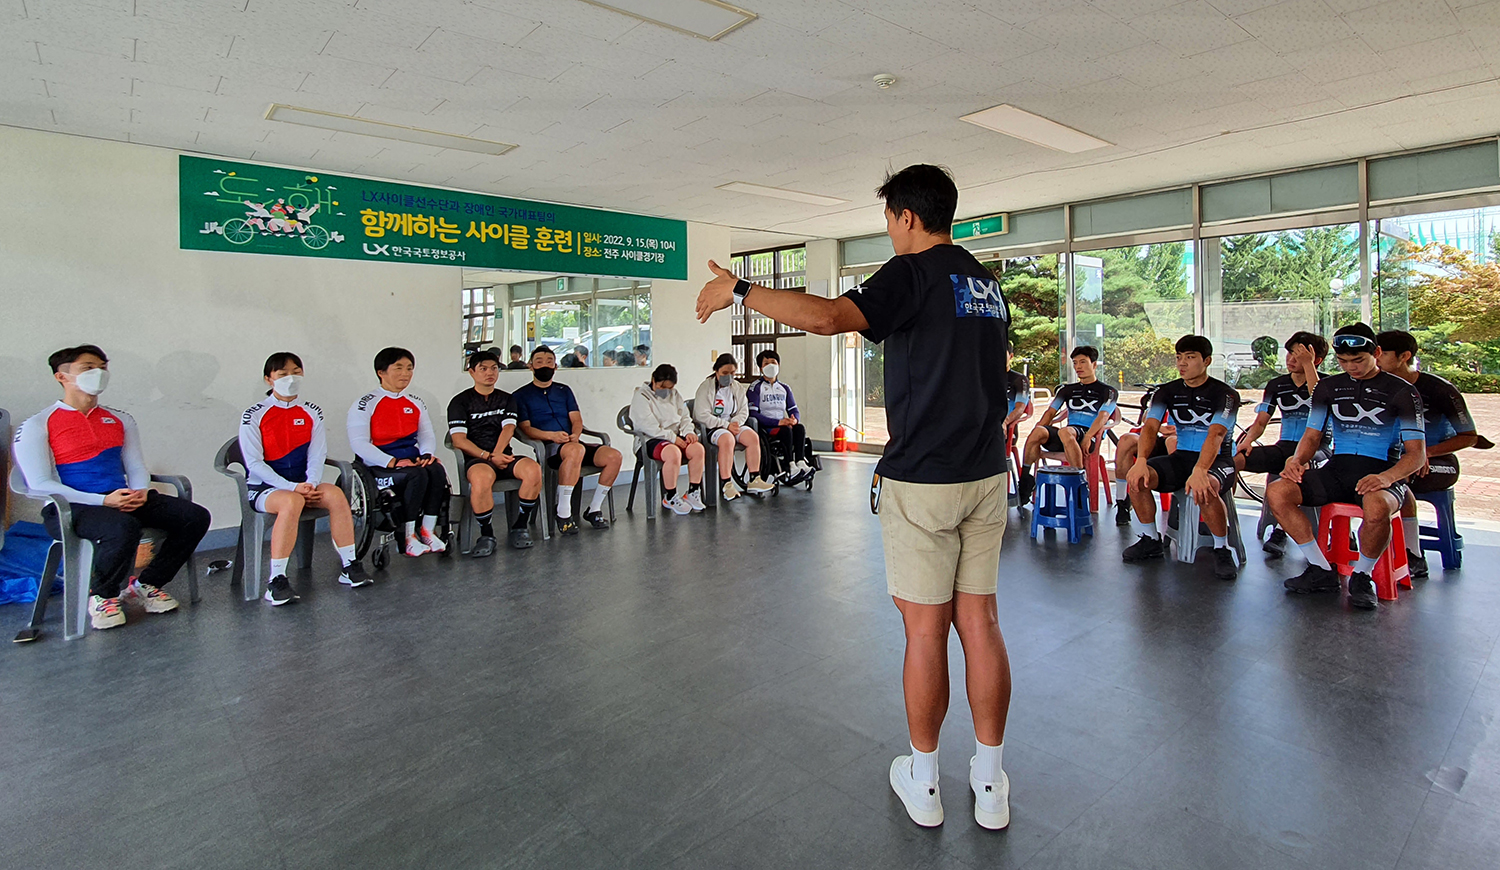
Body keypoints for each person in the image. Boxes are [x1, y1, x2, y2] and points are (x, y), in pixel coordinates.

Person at [695, 164, 1013, 831]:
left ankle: (924, 783)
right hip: (985, 473)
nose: (891, 232)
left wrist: (741, 289)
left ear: (906, 217)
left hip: (925, 479)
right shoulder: (983, 281)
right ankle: (990, 781)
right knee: (979, 623)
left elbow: (829, 317)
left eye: (889, 221)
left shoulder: (913, 271)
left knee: (925, 629)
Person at [15, 344, 211, 630]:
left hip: (122, 498)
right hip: (70, 508)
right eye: (88, 368)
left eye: (103, 367)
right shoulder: (38, 424)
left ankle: (147, 584)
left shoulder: (120, 419)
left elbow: (135, 466)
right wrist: (103, 501)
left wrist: (140, 491)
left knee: (194, 516)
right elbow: (40, 484)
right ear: (62, 377)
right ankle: (103, 596)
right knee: (122, 527)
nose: (99, 373)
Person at [1268, 324, 1426, 611]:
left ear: (1376, 353)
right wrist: (1296, 461)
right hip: (1337, 469)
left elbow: (1416, 455)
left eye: (1358, 360)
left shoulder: (1403, 392)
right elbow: (1312, 436)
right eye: (1343, 361)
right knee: (1278, 492)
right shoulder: (1328, 387)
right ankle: (1319, 569)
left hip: (1383, 472)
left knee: (1377, 506)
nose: (1351, 367)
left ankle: (1363, 576)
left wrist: (1385, 478)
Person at [239, 351, 370, 605]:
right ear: (269, 379)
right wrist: (292, 487)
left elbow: (317, 452)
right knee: (291, 502)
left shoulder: (311, 411)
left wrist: (310, 483)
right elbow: (253, 463)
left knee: (335, 494)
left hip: (303, 485)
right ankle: (276, 580)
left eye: (296, 372)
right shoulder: (253, 414)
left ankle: (349, 565)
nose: (291, 378)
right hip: (265, 489)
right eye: (282, 373)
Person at [1121, 335, 1241, 581]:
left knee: (1205, 486)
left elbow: (1216, 434)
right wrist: (1141, 461)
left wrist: (1200, 470)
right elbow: (1151, 427)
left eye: (1190, 357)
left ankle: (1222, 548)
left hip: (1218, 460)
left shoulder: (1226, 394)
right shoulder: (1167, 391)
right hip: (1182, 457)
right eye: (1179, 358)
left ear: (1206, 361)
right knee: (1139, 479)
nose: (1182, 363)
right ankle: (1151, 539)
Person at [1376, 329, 1485, 579]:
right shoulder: (1377, 388)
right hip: (1394, 460)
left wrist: (1425, 453)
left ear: (1404, 356)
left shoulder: (1439, 389)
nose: (1376, 358)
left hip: (1439, 463)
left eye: (1381, 353)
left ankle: (1412, 555)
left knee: (1398, 479)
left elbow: (1469, 437)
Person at [347, 347, 449, 558]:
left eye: (410, 368)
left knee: (436, 470)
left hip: (410, 460)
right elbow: (359, 444)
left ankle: (428, 530)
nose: (406, 373)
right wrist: (392, 462)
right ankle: (408, 537)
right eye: (399, 368)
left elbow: (426, 434)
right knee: (417, 475)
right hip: (379, 465)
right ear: (381, 372)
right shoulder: (365, 403)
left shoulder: (415, 402)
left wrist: (427, 454)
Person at [1233, 331, 1327, 555]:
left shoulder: (1328, 384)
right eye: (1291, 353)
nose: (1292, 359)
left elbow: (1320, 399)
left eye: (1300, 355)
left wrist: (1309, 367)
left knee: (1294, 463)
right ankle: (1221, 520)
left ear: (1317, 360)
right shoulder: (1276, 385)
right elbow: (1261, 421)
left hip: (1319, 449)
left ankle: (1283, 530)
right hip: (1285, 445)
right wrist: (1246, 442)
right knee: (1234, 460)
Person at [513, 346, 623, 534]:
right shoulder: (520, 395)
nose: (544, 366)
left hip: (573, 444)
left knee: (614, 456)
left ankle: (594, 508)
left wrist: (576, 434)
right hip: (550, 448)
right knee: (575, 450)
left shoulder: (564, 390)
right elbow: (525, 429)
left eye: (549, 362)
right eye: (539, 362)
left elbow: (577, 420)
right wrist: (552, 436)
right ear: (531, 366)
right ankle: (563, 512)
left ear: (555, 367)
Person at [447, 350, 544, 555]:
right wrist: (489, 457)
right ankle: (486, 534)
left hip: (504, 456)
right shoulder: (459, 402)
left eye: (493, 368)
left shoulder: (507, 399)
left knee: (533, 470)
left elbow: (509, 428)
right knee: (482, 479)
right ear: (472, 372)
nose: (489, 373)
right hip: (478, 459)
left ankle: (519, 526)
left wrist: (498, 455)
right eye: (483, 369)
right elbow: (458, 440)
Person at [1016, 345, 1116, 503]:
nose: (1078, 367)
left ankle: (1080, 485)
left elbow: (1103, 416)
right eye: (1075, 363)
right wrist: (1038, 430)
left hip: (1088, 437)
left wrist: (1089, 436)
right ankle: (1025, 481)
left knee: (1065, 431)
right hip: (1067, 437)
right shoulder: (1066, 390)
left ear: (1094, 364)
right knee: (1039, 432)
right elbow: (1050, 413)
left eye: (1083, 362)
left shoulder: (1108, 391)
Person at [694, 352, 777, 501]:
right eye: (725, 373)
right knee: (727, 440)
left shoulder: (736, 387)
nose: (729, 376)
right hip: (714, 427)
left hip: (733, 424)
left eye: (732, 373)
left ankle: (754, 478)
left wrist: (735, 423)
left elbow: (743, 410)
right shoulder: (705, 387)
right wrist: (725, 425)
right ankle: (727, 484)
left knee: (752, 437)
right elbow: (701, 415)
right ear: (716, 371)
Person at [630, 364, 707, 515]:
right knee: (673, 453)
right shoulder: (641, 396)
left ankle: (693, 491)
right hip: (650, 439)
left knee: (697, 449)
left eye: (669, 388)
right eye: (661, 386)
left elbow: (685, 417)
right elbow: (647, 426)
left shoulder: (675, 395)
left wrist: (688, 432)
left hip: (675, 437)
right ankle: (670, 496)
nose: (665, 391)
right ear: (653, 380)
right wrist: (672, 438)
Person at [747, 349, 814, 485]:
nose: (770, 365)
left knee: (799, 428)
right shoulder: (755, 388)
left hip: (783, 423)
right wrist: (779, 422)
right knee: (786, 430)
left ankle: (800, 461)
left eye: (773, 362)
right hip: (766, 426)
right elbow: (753, 414)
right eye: (766, 363)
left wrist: (794, 419)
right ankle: (790, 464)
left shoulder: (784, 388)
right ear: (760, 368)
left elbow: (793, 408)